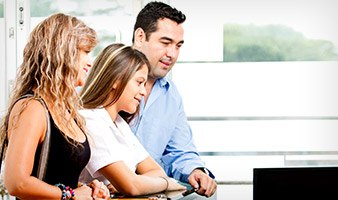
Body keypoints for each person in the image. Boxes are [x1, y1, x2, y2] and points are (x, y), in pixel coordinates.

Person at [0, 13, 109, 200]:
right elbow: (17, 183)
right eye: (84, 52)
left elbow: (57, 176)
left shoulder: (67, 110)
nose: (90, 61)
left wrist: (88, 188)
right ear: (63, 53)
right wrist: (71, 194)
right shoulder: (32, 108)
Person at [130, 1, 217, 198]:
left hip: (152, 192)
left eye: (178, 46)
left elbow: (180, 150)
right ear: (140, 37)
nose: (172, 54)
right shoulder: (106, 83)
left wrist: (196, 171)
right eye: (165, 43)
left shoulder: (171, 95)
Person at [79, 43, 186, 197]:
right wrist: (167, 182)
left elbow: (156, 172)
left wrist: (134, 180)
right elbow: (132, 187)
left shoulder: (119, 124)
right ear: (116, 79)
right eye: (139, 82)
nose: (143, 92)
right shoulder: (90, 120)